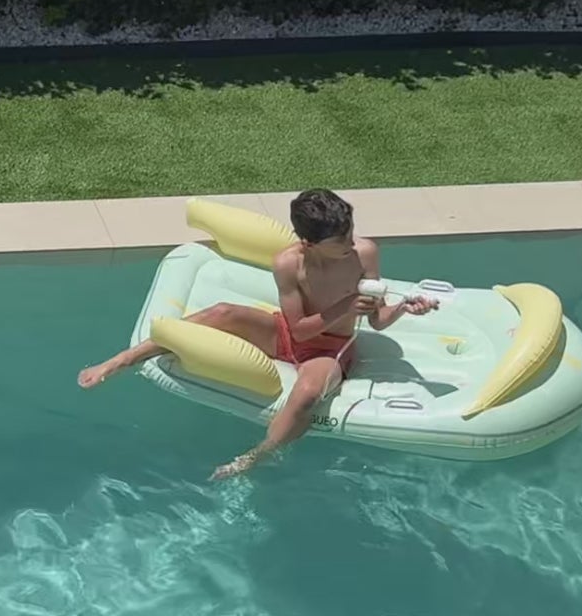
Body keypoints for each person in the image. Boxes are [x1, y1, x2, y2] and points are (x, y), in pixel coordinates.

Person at [76, 188, 440, 479]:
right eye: (339, 240)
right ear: (309, 243)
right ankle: (124, 359)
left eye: (349, 232)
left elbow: (377, 320)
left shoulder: (364, 253)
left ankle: (257, 457)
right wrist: (345, 306)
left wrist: (404, 308)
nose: (349, 242)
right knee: (222, 312)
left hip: (331, 349)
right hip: (289, 333)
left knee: (307, 394)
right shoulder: (288, 264)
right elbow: (298, 330)